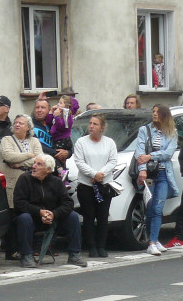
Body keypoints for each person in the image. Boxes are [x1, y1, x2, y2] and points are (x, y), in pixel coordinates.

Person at [13, 154, 86, 268]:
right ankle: (26, 255)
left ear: (48, 170)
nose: (34, 166)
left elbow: (68, 203)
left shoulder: (56, 182)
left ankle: (74, 254)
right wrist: (39, 212)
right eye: (34, 163)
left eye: (39, 164)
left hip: (52, 219)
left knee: (73, 216)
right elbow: (19, 203)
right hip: (32, 219)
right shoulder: (24, 179)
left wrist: (53, 214)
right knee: (24, 218)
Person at [71, 114, 119, 258]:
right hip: (86, 185)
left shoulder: (109, 142)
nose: (91, 126)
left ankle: (101, 246)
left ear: (102, 128)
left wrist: (100, 174)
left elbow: (112, 161)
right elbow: (79, 162)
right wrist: (93, 174)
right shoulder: (81, 142)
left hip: (104, 184)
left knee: (103, 216)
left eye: (95, 124)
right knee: (89, 216)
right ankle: (91, 246)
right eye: (90, 123)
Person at [136, 104, 179, 256]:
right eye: (153, 111)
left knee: (158, 209)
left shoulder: (172, 132)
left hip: (163, 175)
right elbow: (139, 152)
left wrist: (151, 156)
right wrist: (143, 170)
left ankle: (153, 241)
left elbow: (168, 153)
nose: (154, 114)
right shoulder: (144, 130)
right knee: (150, 208)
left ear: (164, 115)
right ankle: (152, 240)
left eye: (157, 112)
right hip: (149, 175)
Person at [0, 115, 43, 211]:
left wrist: (20, 164)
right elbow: (9, 157)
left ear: (28, 127)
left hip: (32, 182)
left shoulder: (34, 141)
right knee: (15, 210)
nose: (17, 125)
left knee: (32, 210)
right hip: (13, 183)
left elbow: (40, 159)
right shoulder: (7, 140)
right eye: (16, 122)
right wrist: (29, 155)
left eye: (21, 123)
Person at [31, 98, 65, 165]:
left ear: (49, 110)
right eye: (37, 107)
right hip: (39, 166)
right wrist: (56, 153)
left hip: (57, 169)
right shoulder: (30, 126)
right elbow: (38, 147)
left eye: (43, 107)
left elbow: (67, 143)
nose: (39, 110)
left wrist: (67, 153)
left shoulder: (55, 125)